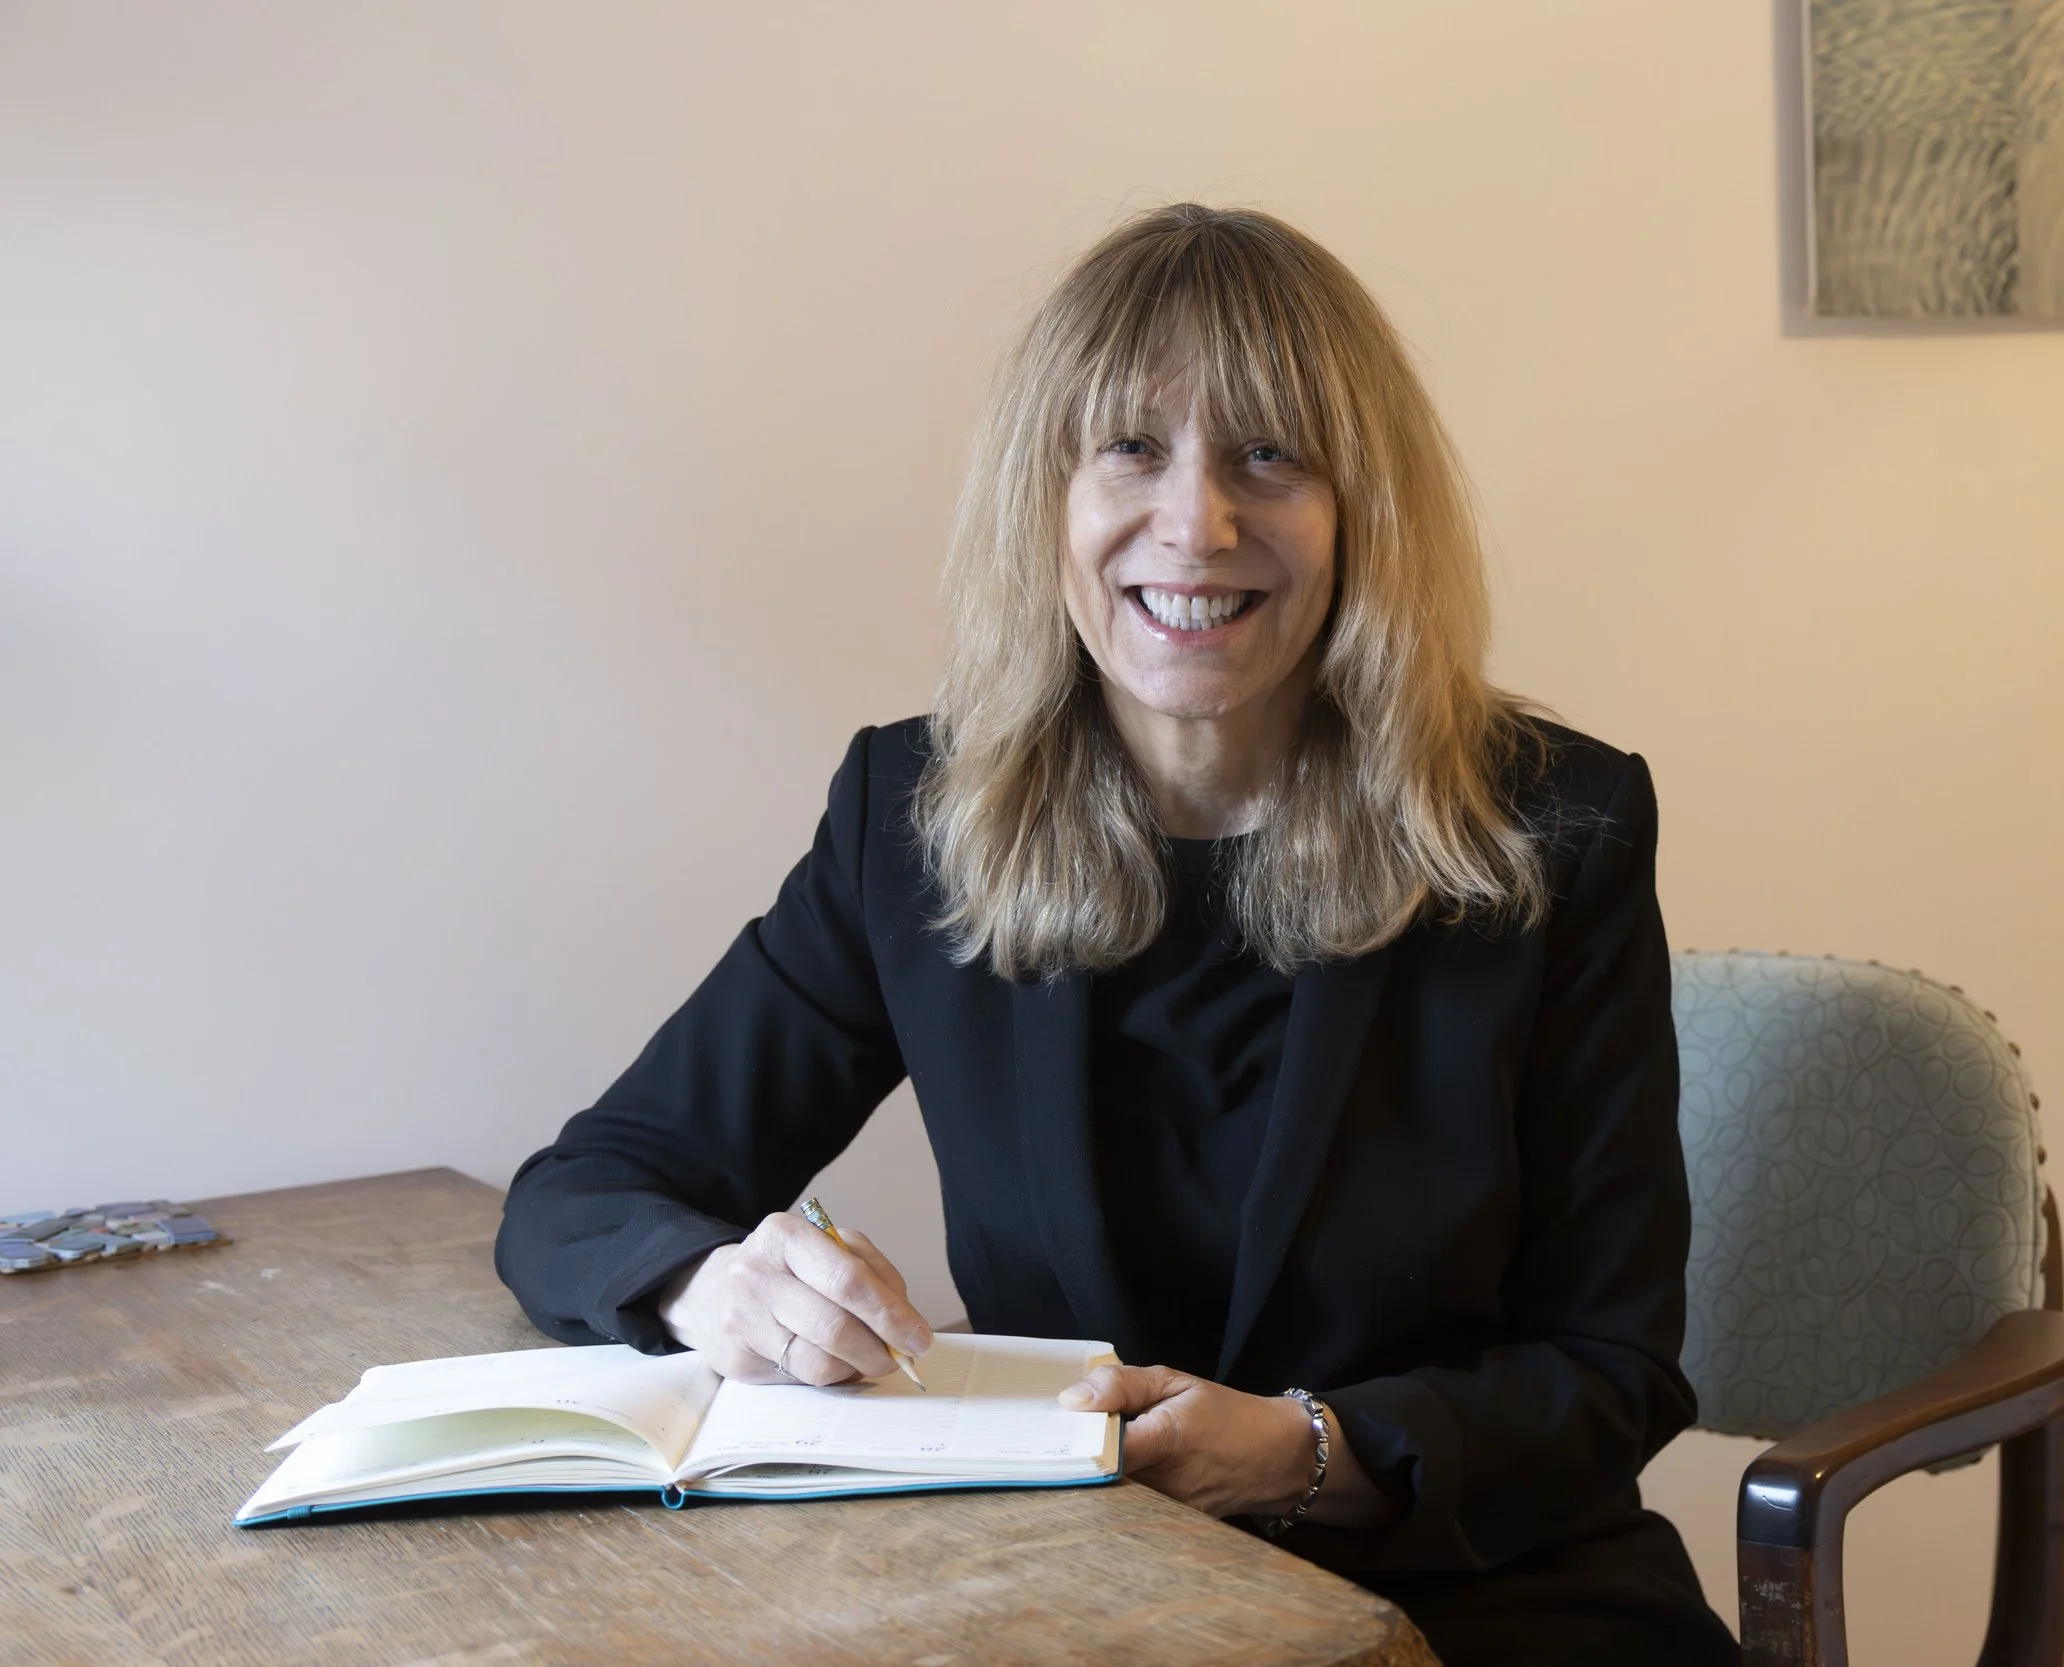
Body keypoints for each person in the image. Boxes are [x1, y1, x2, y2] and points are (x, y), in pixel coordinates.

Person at [496, 203, 1738, 1667]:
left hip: (1481, 1596)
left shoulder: (1551, 829)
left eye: (1271, 454)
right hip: (1081, 1602)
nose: (1197, 523)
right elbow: (585, 1189)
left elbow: (1611, 1367)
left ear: (1366, 509)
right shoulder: (913, 817)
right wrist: (711, 1283)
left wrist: (1310, 1449)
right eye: (1131, 450)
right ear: (1051, 498)